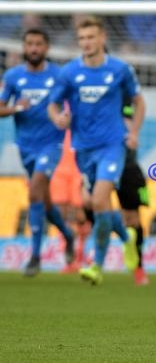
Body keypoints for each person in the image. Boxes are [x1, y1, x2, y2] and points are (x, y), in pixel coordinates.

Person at [48, 16, 146, 286]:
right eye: (82, 39)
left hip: (113, 144)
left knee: (101, 199)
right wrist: (58, 119)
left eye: (91, 37)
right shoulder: (69, 73)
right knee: (94, 203)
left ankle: (96, 264)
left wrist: (134, 133)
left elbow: (139, 102)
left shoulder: (120, 69)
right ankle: (127, 240)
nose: (86, 43)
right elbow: (53, 105)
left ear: (102, 38)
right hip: (83, 148)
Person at [0, 28, 75, 277]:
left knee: (35, 191)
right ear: (24, 47)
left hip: (51, 144)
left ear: (46, 47)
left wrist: (67, 115)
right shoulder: (13, 76)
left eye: (38, 44)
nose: (34, 48)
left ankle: (35, 256)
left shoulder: (58, 74)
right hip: (26, 146)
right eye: (30, 44)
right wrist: (15, 108)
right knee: (44, 200)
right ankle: (67, 234)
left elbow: (71, 102)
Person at [117, 96, 150, 286]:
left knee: (132, 219)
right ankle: (91, 259)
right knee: (88, 204)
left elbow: (128, 126)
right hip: (98, 164)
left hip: (127, 168)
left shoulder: (125, 101)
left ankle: (138, 267)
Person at [50, 128, 92, 272]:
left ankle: (81, 254)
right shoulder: (54, 108)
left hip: (78, 169)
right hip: (58, 169)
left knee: (79, 214)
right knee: (62, 214)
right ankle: (69, 259)